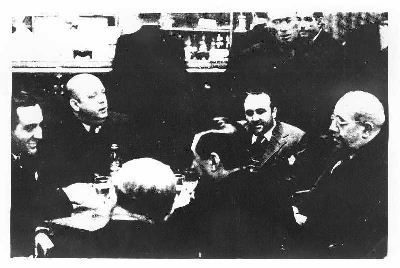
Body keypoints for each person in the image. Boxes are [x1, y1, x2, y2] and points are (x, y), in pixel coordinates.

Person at [169, 120, 298, 258]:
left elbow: (172, 232)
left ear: (214, 161)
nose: (193, 166)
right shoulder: (274, 189)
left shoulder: (208, 203)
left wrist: (173, 205)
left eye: (195, 158)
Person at [293, 91, 387, 258]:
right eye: (332, 119)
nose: (331, 128)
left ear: (366, 129)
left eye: (341, 123)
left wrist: (303, 222)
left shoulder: (382, 173)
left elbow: (352, 234)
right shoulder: (345, 149)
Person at [11, 91, 101, 257]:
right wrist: (68, 195)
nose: (40, 135)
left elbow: (27, 208)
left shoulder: (24, 157)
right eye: (29, 128)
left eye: (40, 125)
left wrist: (39, 231)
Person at [42, 73, 137, 186]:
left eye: (103, 92)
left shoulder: (123, 124)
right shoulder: (58, 133)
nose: (102, 100)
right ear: (75, 105)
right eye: (92, 96)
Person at [243, 91, 305, 174]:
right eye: (249, 113)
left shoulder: (296, 138)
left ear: (274, 112)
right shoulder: (236, 131)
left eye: (260, 112)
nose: (254, 119)